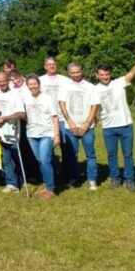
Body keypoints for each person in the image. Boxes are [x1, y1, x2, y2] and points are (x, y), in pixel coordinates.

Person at [95, 49, 135, 192]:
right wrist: (94, 118)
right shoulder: (94, 89)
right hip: (108, 127)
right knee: (111, 154)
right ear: (97, 75)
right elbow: (92, 107)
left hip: (125, 125)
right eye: (102, 75)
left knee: (128, 154)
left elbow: (132, 73)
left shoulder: (119, 83)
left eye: (107, 74)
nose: (105, 77)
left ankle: (129, 179)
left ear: (110, 74)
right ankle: (115, 179)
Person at [58, 62, 101, 190]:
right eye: (73, 72)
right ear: (69, 73)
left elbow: (94, 106)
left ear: (82, 71)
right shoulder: (65, 86)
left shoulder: (91, 87)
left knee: (90, 154)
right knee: (72, 155)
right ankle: (74, 178)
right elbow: (62, 104)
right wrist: (70, 122)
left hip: (87, 127)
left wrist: (87, 124)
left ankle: (92, 179)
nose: (76, 74)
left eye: (78, 72)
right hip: (70, 127)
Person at [0, 72, 27, 194]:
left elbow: (22, 114)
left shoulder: (15, 95)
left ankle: (21, 180)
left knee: (16, 157)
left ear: (8, 80)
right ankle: (11, 183)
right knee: (6, 159)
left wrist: (5, 118)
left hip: (13, 131)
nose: (2, 83)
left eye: (4, 80)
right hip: (0, 131)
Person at [22, 75, 59, 199]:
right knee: (40, 160)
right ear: (27, 86)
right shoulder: (26, 99)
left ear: (39, 84)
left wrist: (57, 135)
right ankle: (47, 185)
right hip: (31, 134)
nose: (33, 86)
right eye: (30, 84)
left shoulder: (47, 98)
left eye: (35, 84)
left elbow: (55, 117)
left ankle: (51, 189)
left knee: (44, 160)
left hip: (46, 134)